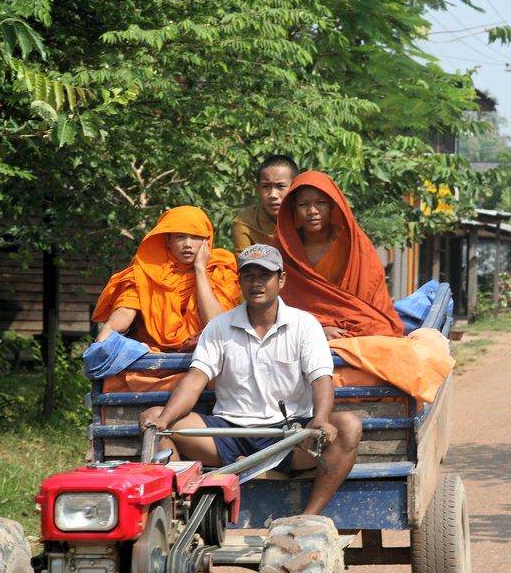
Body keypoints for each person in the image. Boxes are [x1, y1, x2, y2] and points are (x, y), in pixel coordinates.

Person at [138, 244, 362, 516]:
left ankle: (308, 517)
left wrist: (321, 418)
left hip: (289, 436)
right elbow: (196, 379)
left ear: (281, 280)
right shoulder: (220, 326)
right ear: (240, 282)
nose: (256, 283)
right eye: (249, 276)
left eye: (264, 276)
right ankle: (177, 514)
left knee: (349, 425)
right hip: (228, 434)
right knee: (153, 417)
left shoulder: (305, 324)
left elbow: (321, 379)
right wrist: (164, 420)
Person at [275, 170, 404, 339]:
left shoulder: (353, 244)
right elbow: (282, 302)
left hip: (357, 324)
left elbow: (371, 296)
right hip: (303, 329)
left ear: (332, 205)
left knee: (381, 331)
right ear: (293, 209)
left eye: (320, 203)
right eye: (303, 204)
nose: (312, 210)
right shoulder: (285, 248)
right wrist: (317, 329)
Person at [93, 206, 240, 352]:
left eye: (195, 237)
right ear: (168, 240)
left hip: (204, 354)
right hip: (151, 354)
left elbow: (216, 324)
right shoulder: (149, 270)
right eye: (180, 237)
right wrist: (109, 329)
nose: (187, 244)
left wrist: (200, 269)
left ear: (207, 241)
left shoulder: (220, 267)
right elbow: (126, 310)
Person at [232, 155, 300, 251]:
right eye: (266, 186)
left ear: (295, 188)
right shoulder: (245, 222)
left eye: (280, 186)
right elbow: (243, 259)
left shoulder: (307, 218)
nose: (273, 195)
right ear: (257, 190)